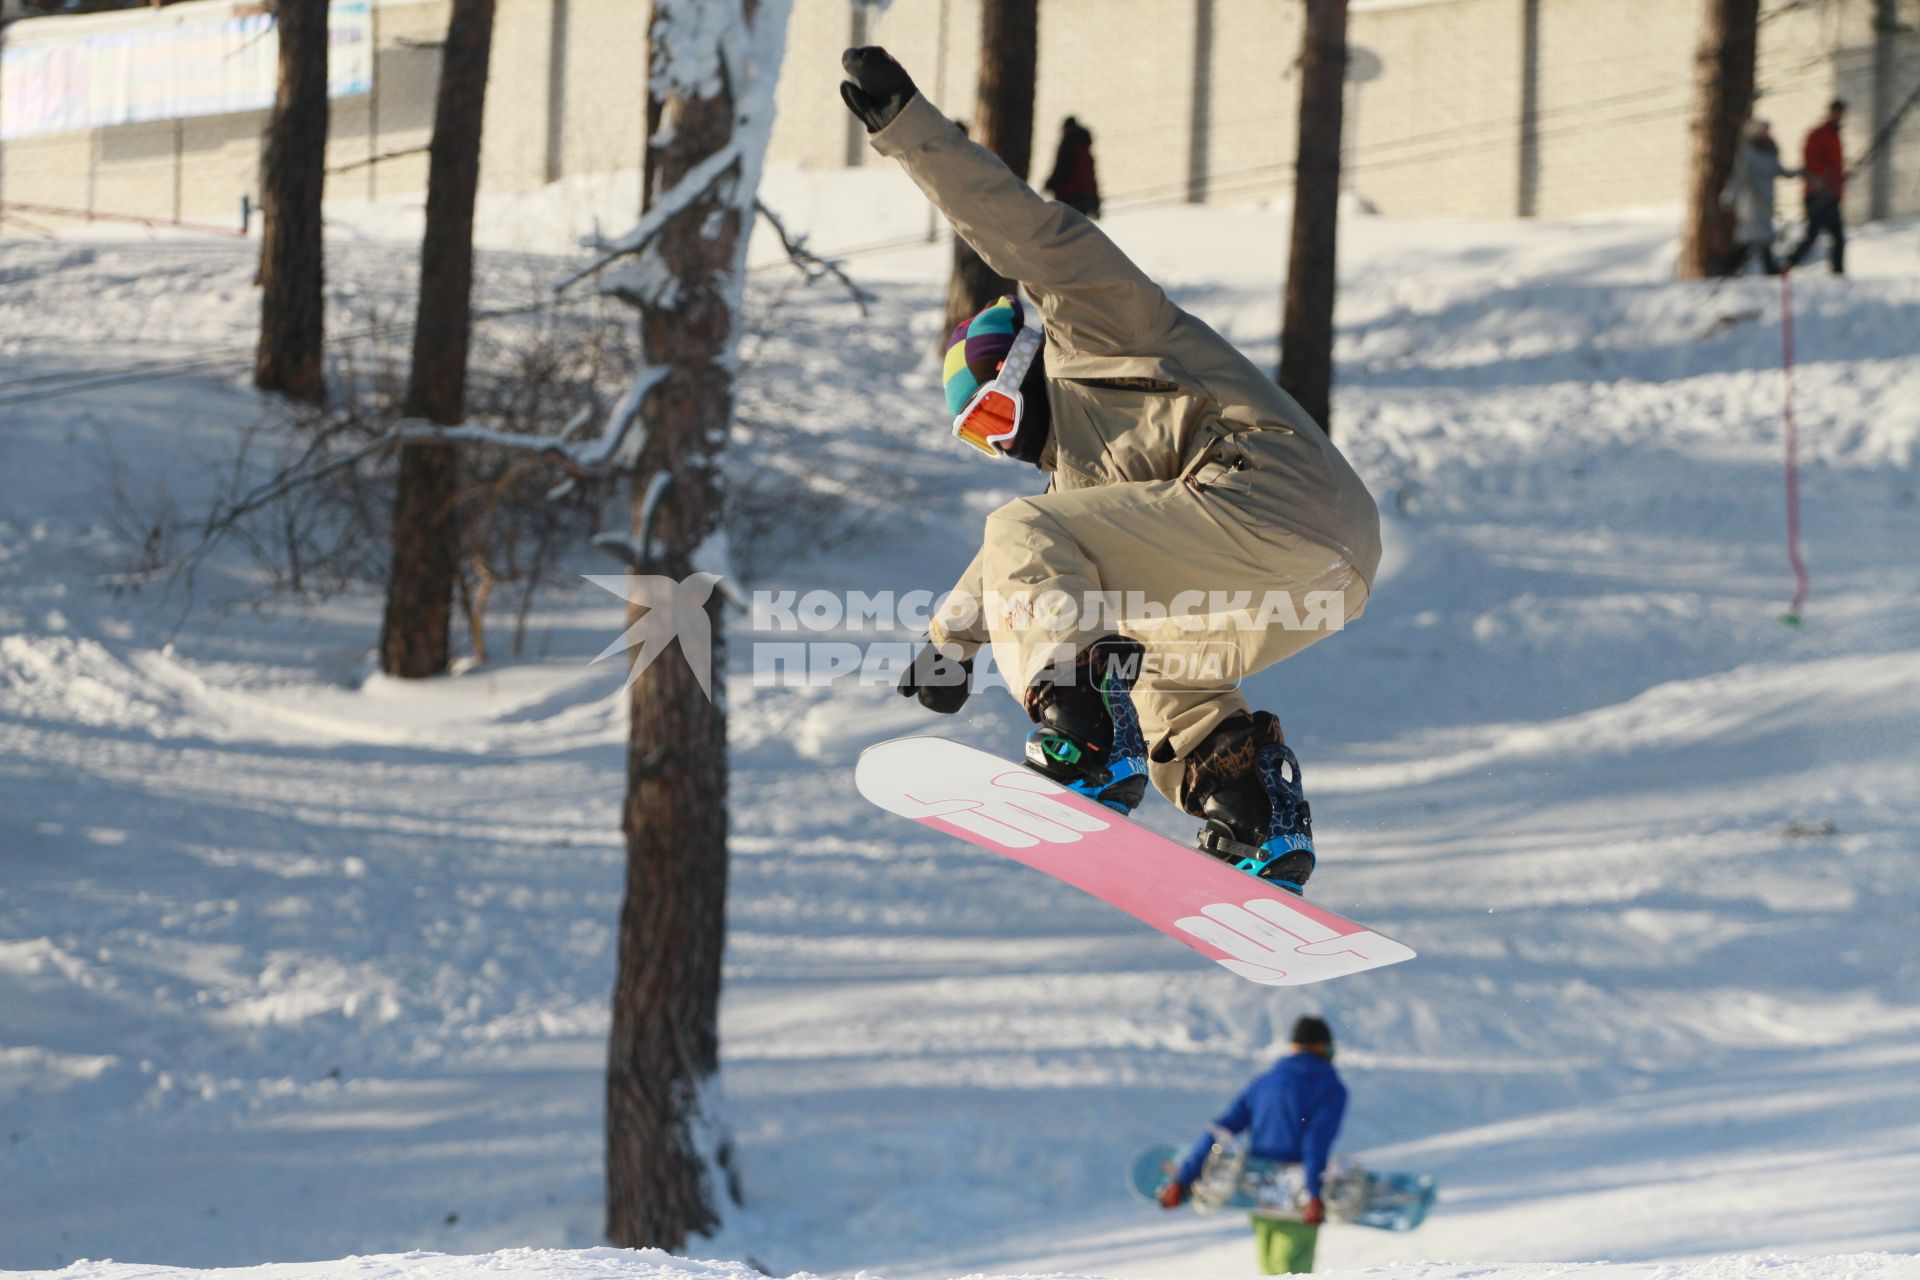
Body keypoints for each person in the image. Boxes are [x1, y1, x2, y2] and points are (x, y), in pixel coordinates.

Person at [841, 48, 1380, 895]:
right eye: (982, 438)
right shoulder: (1087, 493)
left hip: (1267, 493)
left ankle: (1085, 739)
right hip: (1329, 570)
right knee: (1156, 652)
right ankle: (1246, 806)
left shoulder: (1099, 323)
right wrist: (949, 643)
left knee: (1029, 532)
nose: (1007, 444)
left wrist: (906, 129)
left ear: (1026, 362)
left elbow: (1018, 224)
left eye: (997, 411)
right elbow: (1010, 571)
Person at [1158, 1016, 1348, 1274]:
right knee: (1293, 1271)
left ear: (1294, 1047)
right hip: (1297, 1191)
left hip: (1257, 1187)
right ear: (1321, 1048)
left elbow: (1220, 1130)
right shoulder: (1330, 1088)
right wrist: (1314, 1193)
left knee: (1270, 1270)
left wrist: (1183, 1177)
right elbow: (1315, 1142)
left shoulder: (1263, 1083)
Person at [1722, 118, 1797, 275]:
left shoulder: (1770, 151)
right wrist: (1729, 196)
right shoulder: (1748, 153)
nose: (1766, 133)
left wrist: (1801, 172)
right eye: (1762, 130)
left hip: (1766, 199)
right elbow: (1739, 176)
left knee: (1764, 238)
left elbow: (1780, 170)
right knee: (1750, 239)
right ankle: (1730, 269)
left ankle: (1767, 270)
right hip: (1751, 202)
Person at [1786, 100, 1847, 275]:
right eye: (1837, 112)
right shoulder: (1818, 134)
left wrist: (1840, 179)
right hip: (1818, 195)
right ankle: (1787, 264)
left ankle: (1838, 272)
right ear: (1831, 113)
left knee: (1838, 237)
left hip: (1831, 194)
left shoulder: (1835, 136)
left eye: (1841, 113)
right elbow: (1811, 160)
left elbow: (1836, 166)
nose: (1839, 115)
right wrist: (1825, 174)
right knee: (1812, 236)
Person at [1043, 116, 1103, 219]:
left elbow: (1062, 169)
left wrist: (1049, 185)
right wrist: (1095, 202)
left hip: (1068, 195)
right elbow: (1091, 177)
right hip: (1084, 197)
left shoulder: (1067, 147)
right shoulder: (1085, 149)